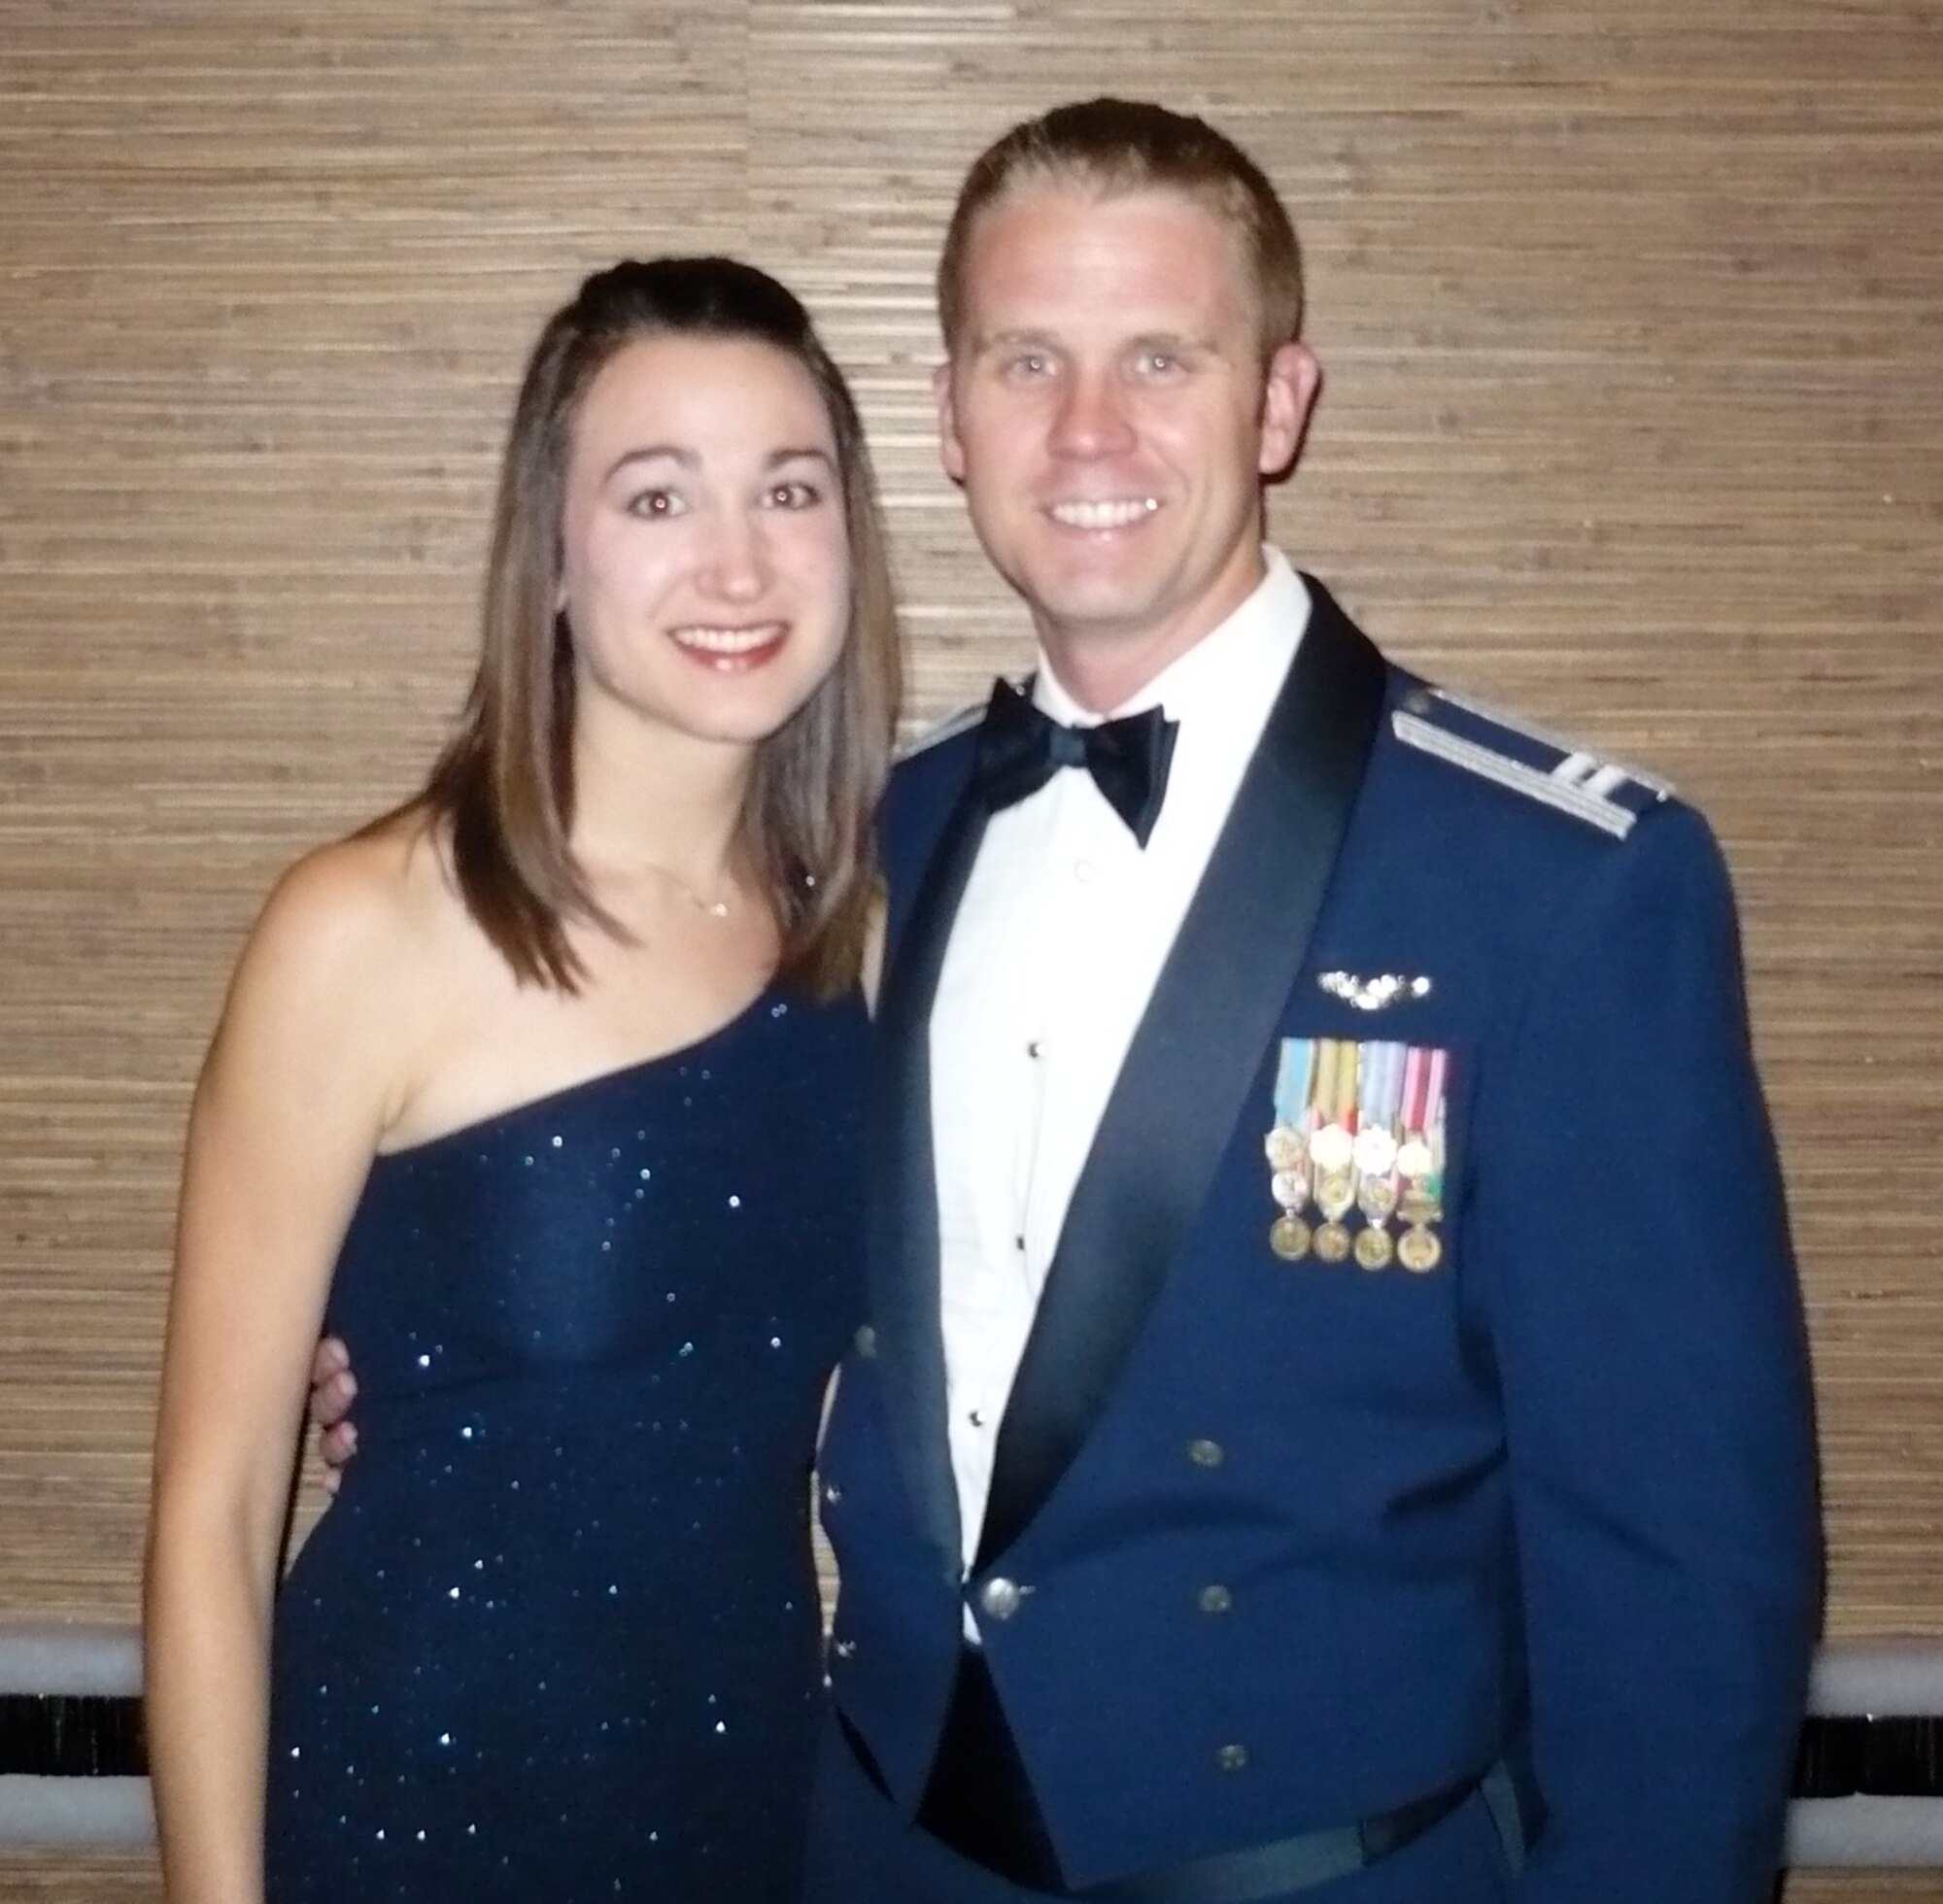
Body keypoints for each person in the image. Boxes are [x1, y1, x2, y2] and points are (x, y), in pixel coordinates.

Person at [803, 98, 1821, 1903]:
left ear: (1279, 400)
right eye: (1026, 358)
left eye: (1161, 359)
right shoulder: (889, 823)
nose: (1090, 429)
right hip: (888, 1850)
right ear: (949, 415)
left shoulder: (1563, 887)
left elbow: (1681, 1572)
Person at [144, 255, 900, 1904]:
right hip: (415, 1810)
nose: (738, 559)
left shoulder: (866, 938)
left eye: (791, 487)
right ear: (550, 556)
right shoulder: (367, 929)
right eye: (655, 495)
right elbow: (211, 1520)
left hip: (755, 1808)